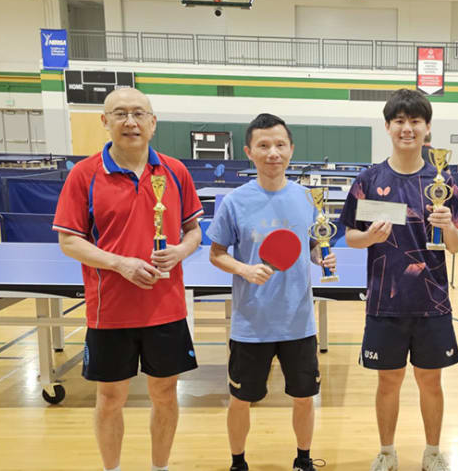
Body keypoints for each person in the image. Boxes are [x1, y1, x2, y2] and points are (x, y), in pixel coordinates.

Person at [53, 87, 204, 471]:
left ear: (153, 123)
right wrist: (121, 264)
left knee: (166, 395)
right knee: (109, 399)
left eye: (139, 114)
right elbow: (69, 241)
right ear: (105, 122)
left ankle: (160, 467)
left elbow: (194, 231)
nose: (130, 122)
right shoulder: (84, 175)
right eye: (120, 114)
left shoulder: (175, 171)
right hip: (110, 311)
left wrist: (181, 251)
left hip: (165, 307)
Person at [339, 89, 458, 471]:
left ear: (427, 128)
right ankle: (386, 451)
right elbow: (350, 236)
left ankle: (432, 451)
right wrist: (370, 238)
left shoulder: (443, 182)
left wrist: (446, 227)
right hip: (384, 302)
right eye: (399, 120)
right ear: (387, 126)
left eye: (415, 121)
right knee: (388, 383)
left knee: (431, 383)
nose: (407, 128)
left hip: (432, 303)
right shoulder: (368, 180)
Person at [206, 113, 336, 471]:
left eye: (280, 144)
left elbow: (311, 245)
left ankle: (304, 459)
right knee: (240, 400)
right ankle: (238, 462)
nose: (273, 152)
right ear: (250, 151)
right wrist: (244, 268)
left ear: (291, 149)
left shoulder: (308, 198)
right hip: (251, 324)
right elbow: (216, 253)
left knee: (304, 399)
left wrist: (321, 257)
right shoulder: (234, 202)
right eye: (264, 145)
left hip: (299, 323)